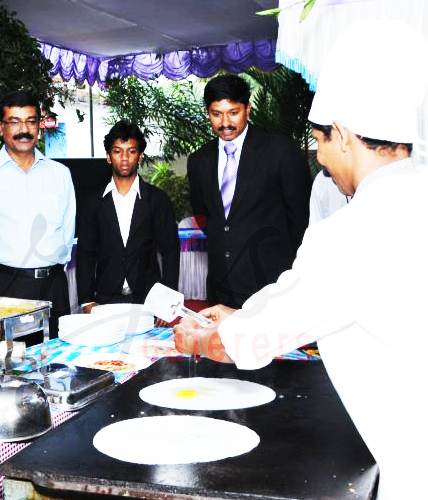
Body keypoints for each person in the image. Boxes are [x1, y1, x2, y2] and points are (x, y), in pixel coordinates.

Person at [174, 20, 428, 499]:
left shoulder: (358, 228)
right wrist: (242, 313)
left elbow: (255, 339)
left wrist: (206, 338)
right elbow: (311, 294)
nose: (319, 156)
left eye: (320, 140)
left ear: (344, 135)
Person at [187, 75, 311, 309]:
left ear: (248, 109)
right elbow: (204, 217)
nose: (225, 122)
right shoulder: (198, 160)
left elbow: (300, 218)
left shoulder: (281, 151)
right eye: (216, 114)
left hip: (270, 285)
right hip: (220, 285)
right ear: (208, 113)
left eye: (233, 112)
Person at [0, 90, 75, 338]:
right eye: (14, 122)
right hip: (6, 288)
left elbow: (67, 235)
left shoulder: (61, 174)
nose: (24, 129)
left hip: (55, 288)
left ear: (39, 125)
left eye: (30, 121)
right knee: (12, 370)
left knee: (59, 366)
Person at [76, 121, 179, 310]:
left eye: (131, 151)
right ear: (108, 157)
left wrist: (168, 300)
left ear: (140, 156)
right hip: (104, 300)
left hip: (149, 300)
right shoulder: (93, 202)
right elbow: (85, 254)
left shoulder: (157, 200)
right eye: (117, 151)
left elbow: (170, 252)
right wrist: (86, 299)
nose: (124, 158)